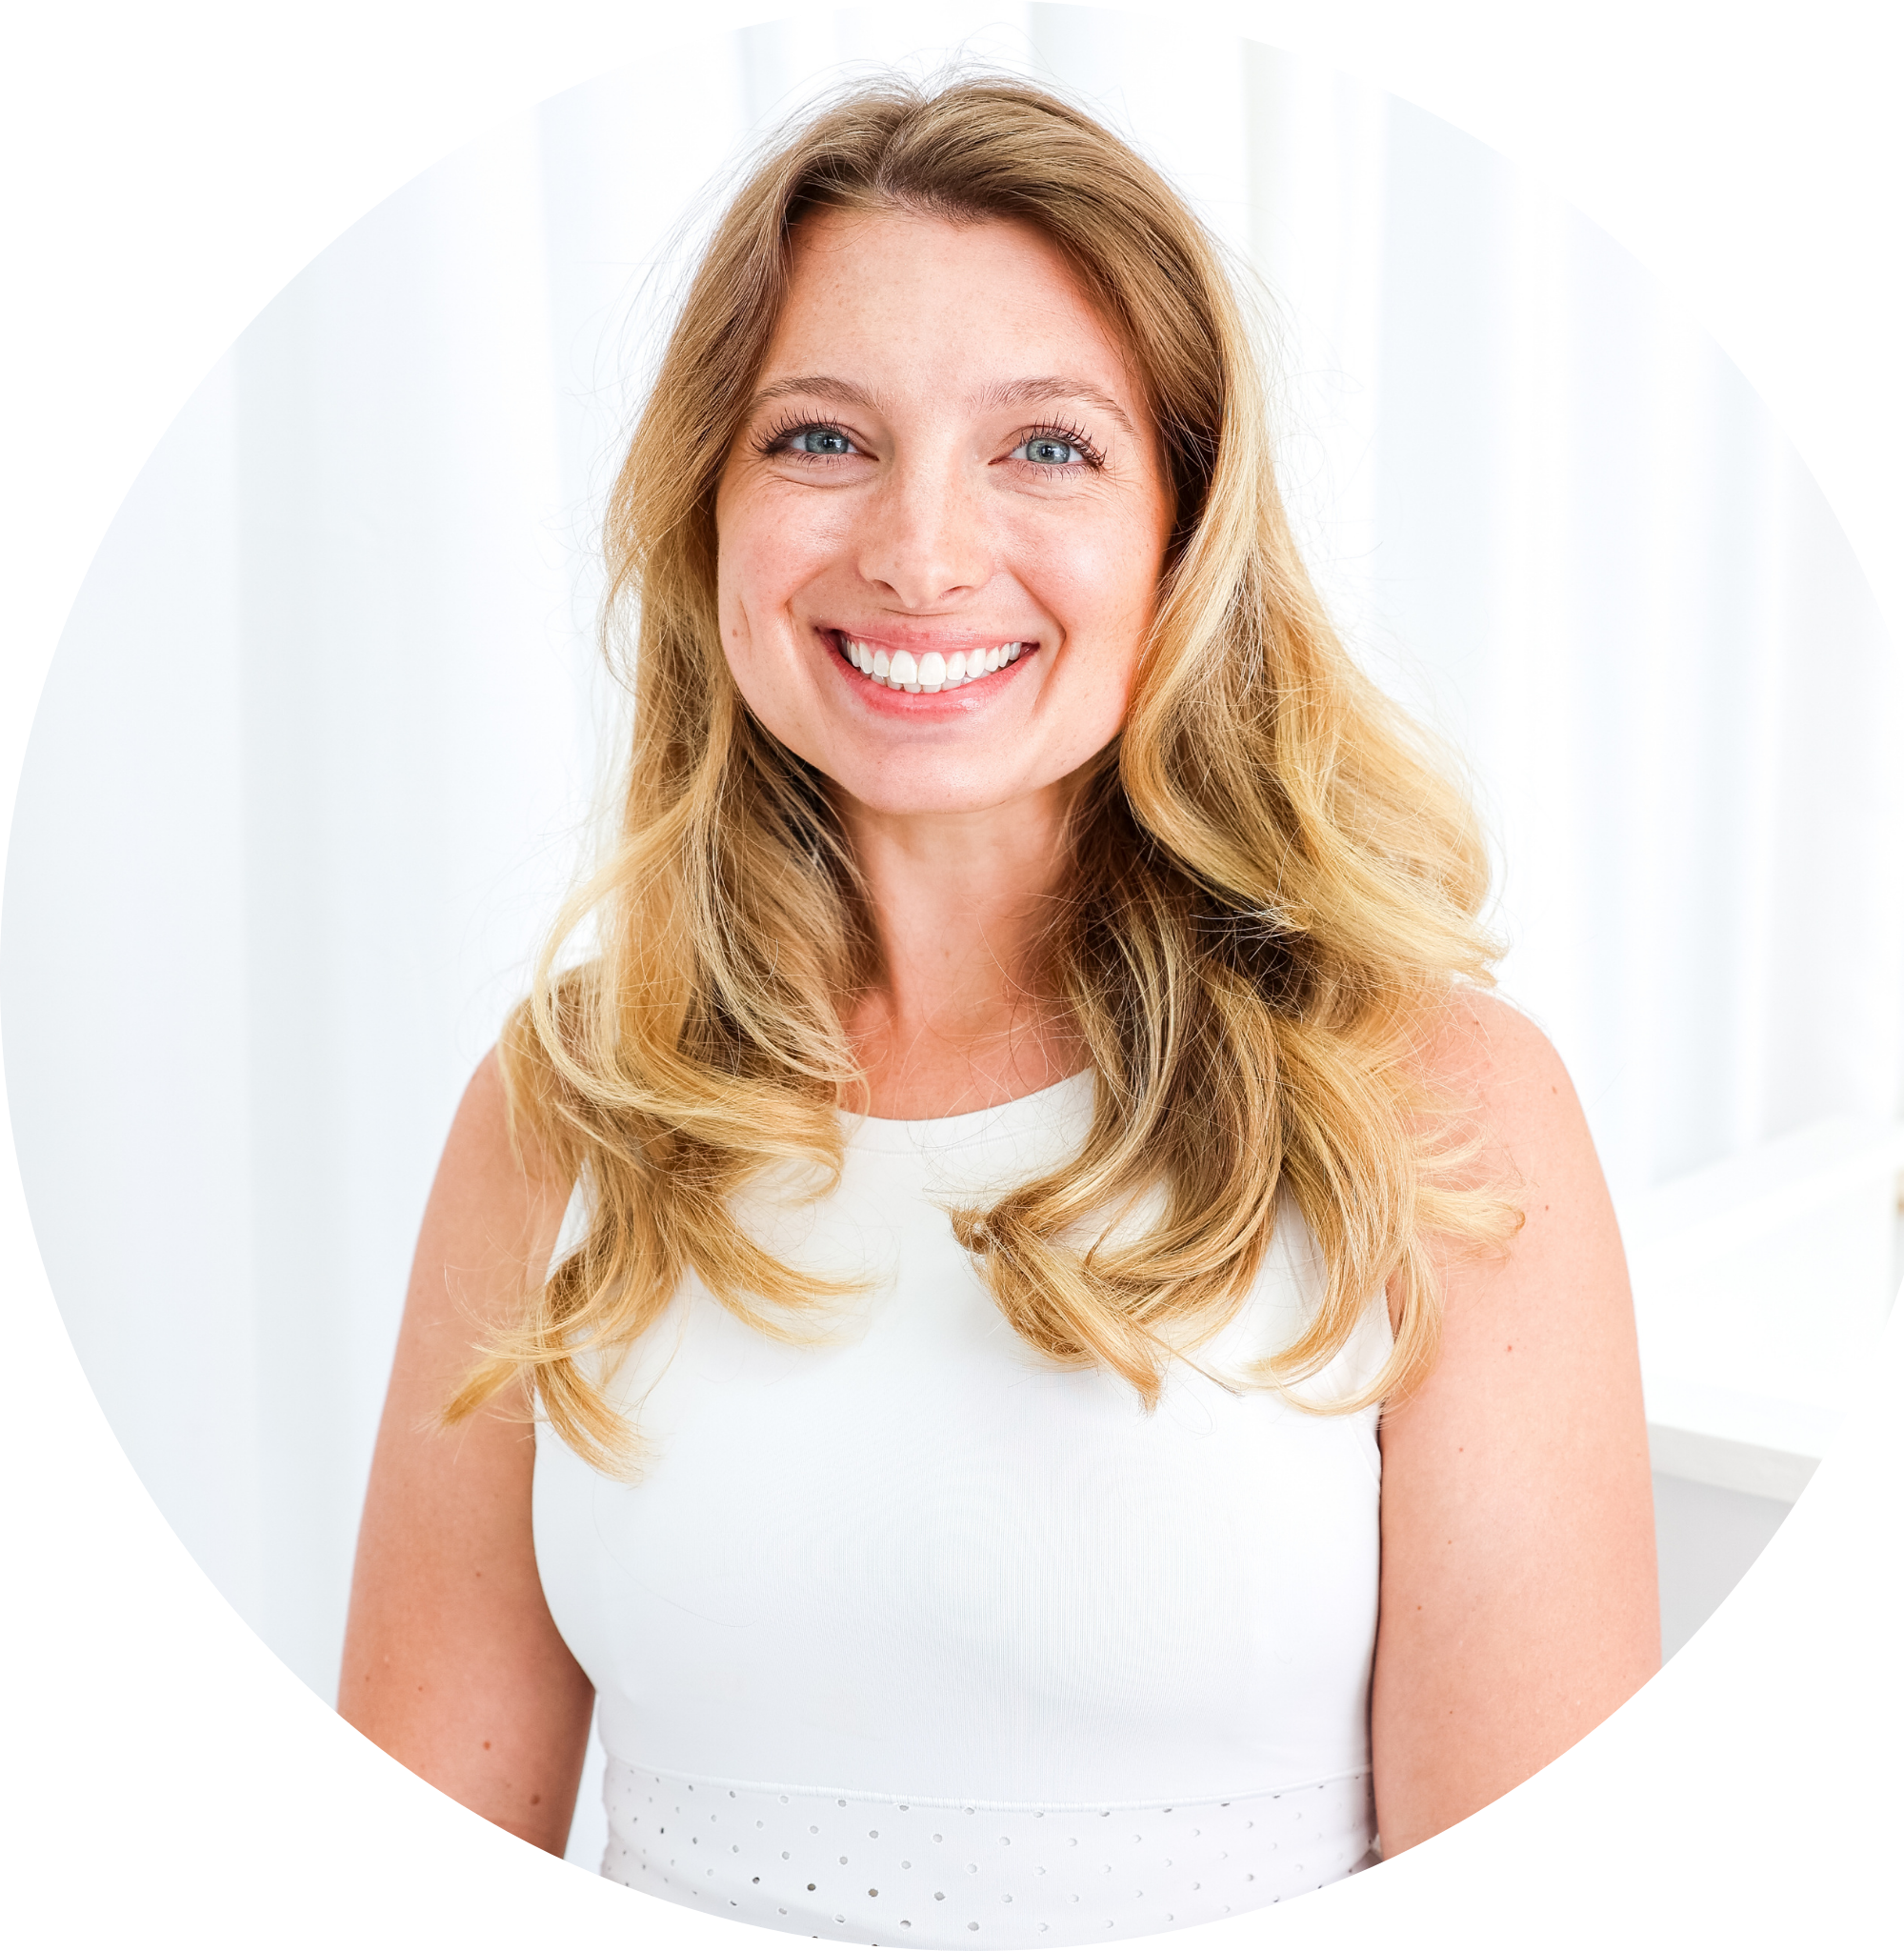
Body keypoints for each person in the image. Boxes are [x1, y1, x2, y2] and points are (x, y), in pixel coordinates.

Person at [340, 74, 1658, 1946]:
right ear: (708, 504)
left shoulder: (1427, 1103)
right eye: (820, 438)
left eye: (1044, 449)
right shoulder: (567, 1105)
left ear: (1181, 531)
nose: (923, 553)